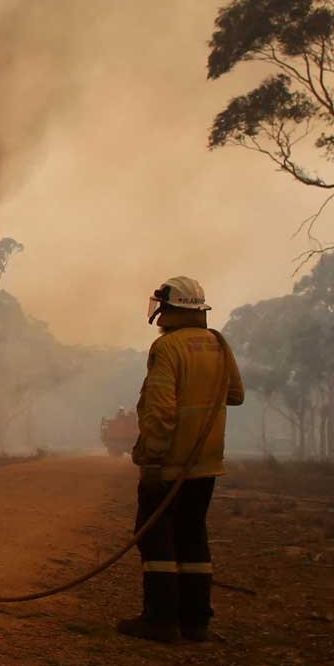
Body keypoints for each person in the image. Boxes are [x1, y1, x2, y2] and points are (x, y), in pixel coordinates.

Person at [121, 276, 244, 644]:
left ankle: (159, 621)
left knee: (155, 537)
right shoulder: (219, 344)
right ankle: (195, 622)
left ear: (170, 308)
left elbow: (160, 410)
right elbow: (235, 395)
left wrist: (153, 459)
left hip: (171, 462)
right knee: (193, 536)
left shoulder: (168, 348)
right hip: (206, 463)